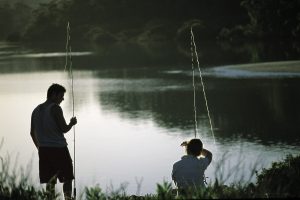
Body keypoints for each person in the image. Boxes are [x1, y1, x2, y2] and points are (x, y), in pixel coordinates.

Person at [30, 83, 77, 200]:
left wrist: (39, 147)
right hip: (59, 149)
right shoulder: (55, 108)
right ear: (54, 95)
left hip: (44, 150)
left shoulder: (36, 110)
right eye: (61, 96)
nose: (63, 99)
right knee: (67, 177)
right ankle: (68, 199)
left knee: (50, 181)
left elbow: (32, 133)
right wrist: (72, 123)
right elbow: (64, 129)